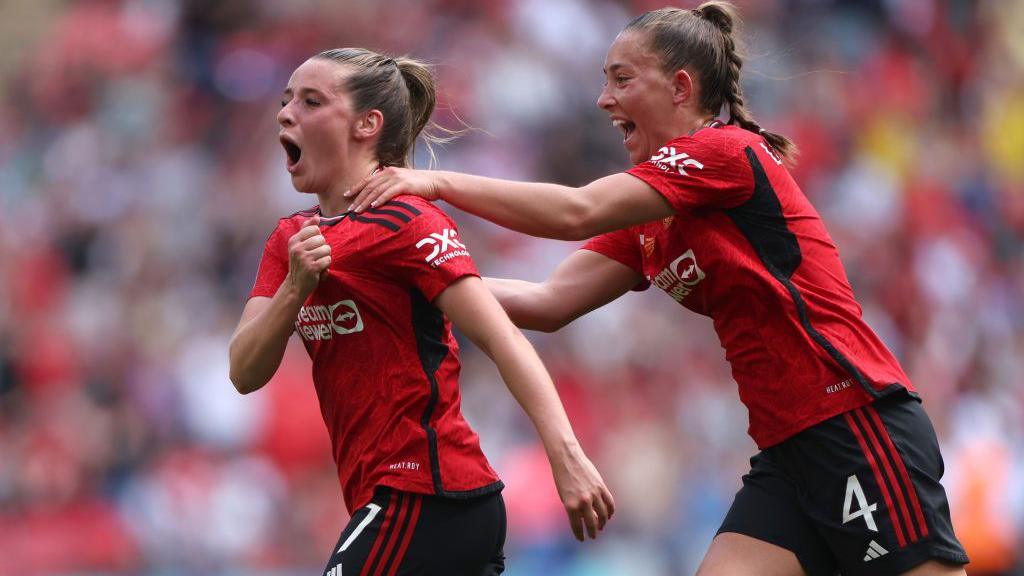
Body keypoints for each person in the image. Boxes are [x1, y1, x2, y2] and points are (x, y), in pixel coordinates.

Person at [345, 4, 969, 576]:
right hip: (788, 449)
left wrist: (433, 185)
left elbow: (575, 211)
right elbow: (549, 302)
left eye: (621, 79)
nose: (601, 99)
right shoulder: (651, 213)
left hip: (852, 421)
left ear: (680, 88)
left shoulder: (723, 152)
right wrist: (416, 279)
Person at [228, 47, 614, 576]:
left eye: (311, 101)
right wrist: (295, 291)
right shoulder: (290, 241)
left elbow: (504, 340)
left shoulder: (407, 220)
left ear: (368, 124)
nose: (286, 112)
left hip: (427, 495)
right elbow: (244, 372)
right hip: (405, 501)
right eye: (286, 99)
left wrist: (565, 456)